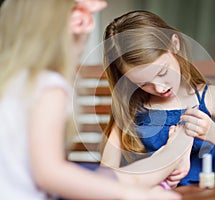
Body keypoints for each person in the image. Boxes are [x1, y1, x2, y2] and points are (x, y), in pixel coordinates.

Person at [0, 1, 182, 199]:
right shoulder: (48, 86)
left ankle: (170, 154)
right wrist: (134, 195)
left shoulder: (13, 82)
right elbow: (49, 173)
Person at [100, 10, 215, 187]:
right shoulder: (131, 107)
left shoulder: (210, 98)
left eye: (162, 72)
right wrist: (163, 158)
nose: (159, 88)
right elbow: (105, 174)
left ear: (174, 44)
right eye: (143, 83)